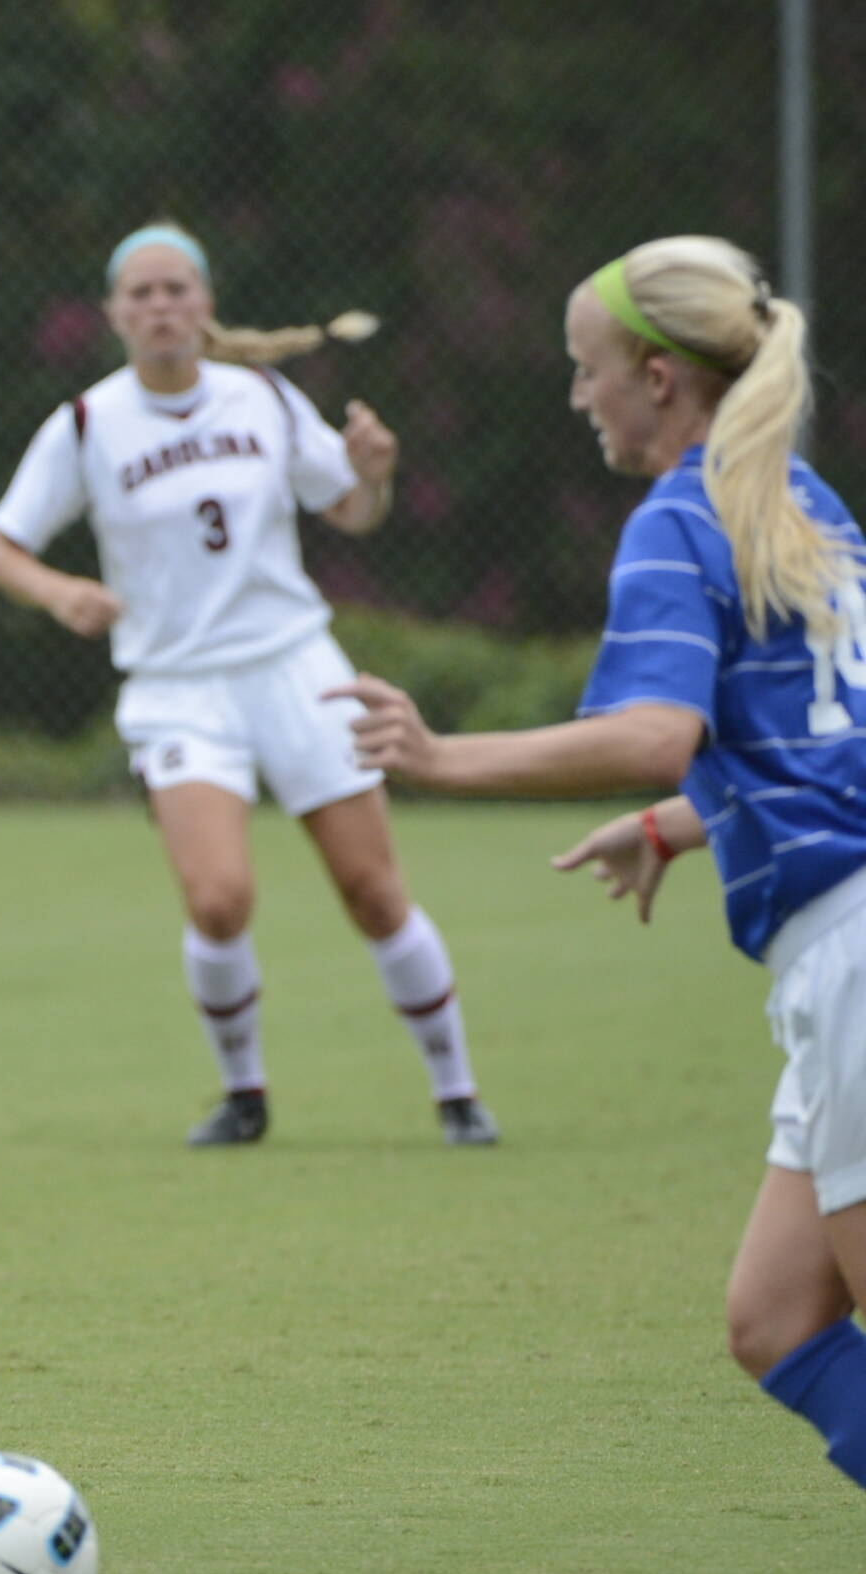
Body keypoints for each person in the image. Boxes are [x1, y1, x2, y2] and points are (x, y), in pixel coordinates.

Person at [335, 235, 866, 1491]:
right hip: (836, 939)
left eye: (586, 372)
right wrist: (681, 824)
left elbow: (655, 731)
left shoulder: (682, 518)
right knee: (776, 1317)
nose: (578, 399)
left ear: (659, 376)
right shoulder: (803, 501)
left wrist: (441, 757)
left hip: (850, 960)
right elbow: (813, 741)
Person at [0, 223, 499, 1148]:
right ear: (114, 314)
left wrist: (372, 476)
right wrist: (61, 595)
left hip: (294, 665)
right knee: (217, 899)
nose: (161, 306)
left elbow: (352, 509)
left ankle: (458, 1094)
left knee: (373, 890)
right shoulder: (89, 422)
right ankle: (243, 1096)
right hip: (177, 688)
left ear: (207, 304)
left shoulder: (260, 395)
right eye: (141, 293)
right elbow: (0, 547)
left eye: (177, 289)